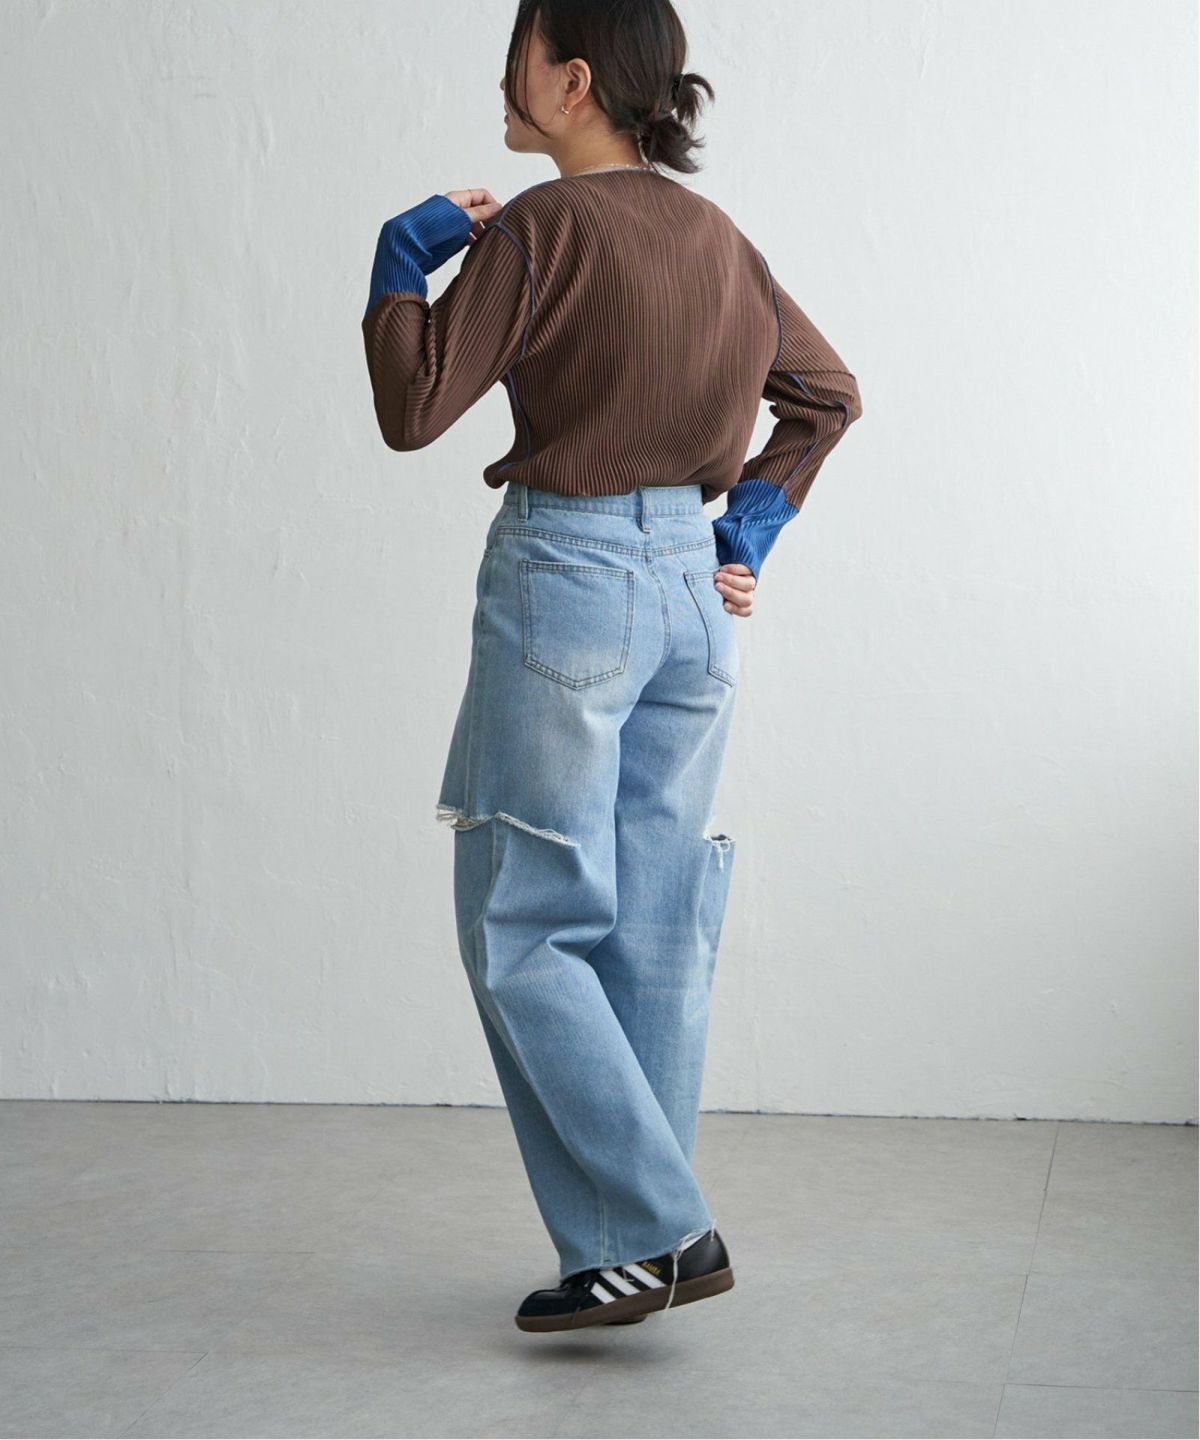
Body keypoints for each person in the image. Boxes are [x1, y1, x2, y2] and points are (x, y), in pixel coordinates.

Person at [360, 0, 863, 1333]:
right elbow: (828, 397)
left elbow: (415, 408)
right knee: (646, 924)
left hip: (569, 586)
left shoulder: (540, 230)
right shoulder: (721, 239)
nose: (504, 79)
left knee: (523, 922)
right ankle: (624, 1252)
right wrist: (742, 530)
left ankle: (659, 1228)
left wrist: (400, 267)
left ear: (573, 79)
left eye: (520, 55)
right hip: (693, 597)